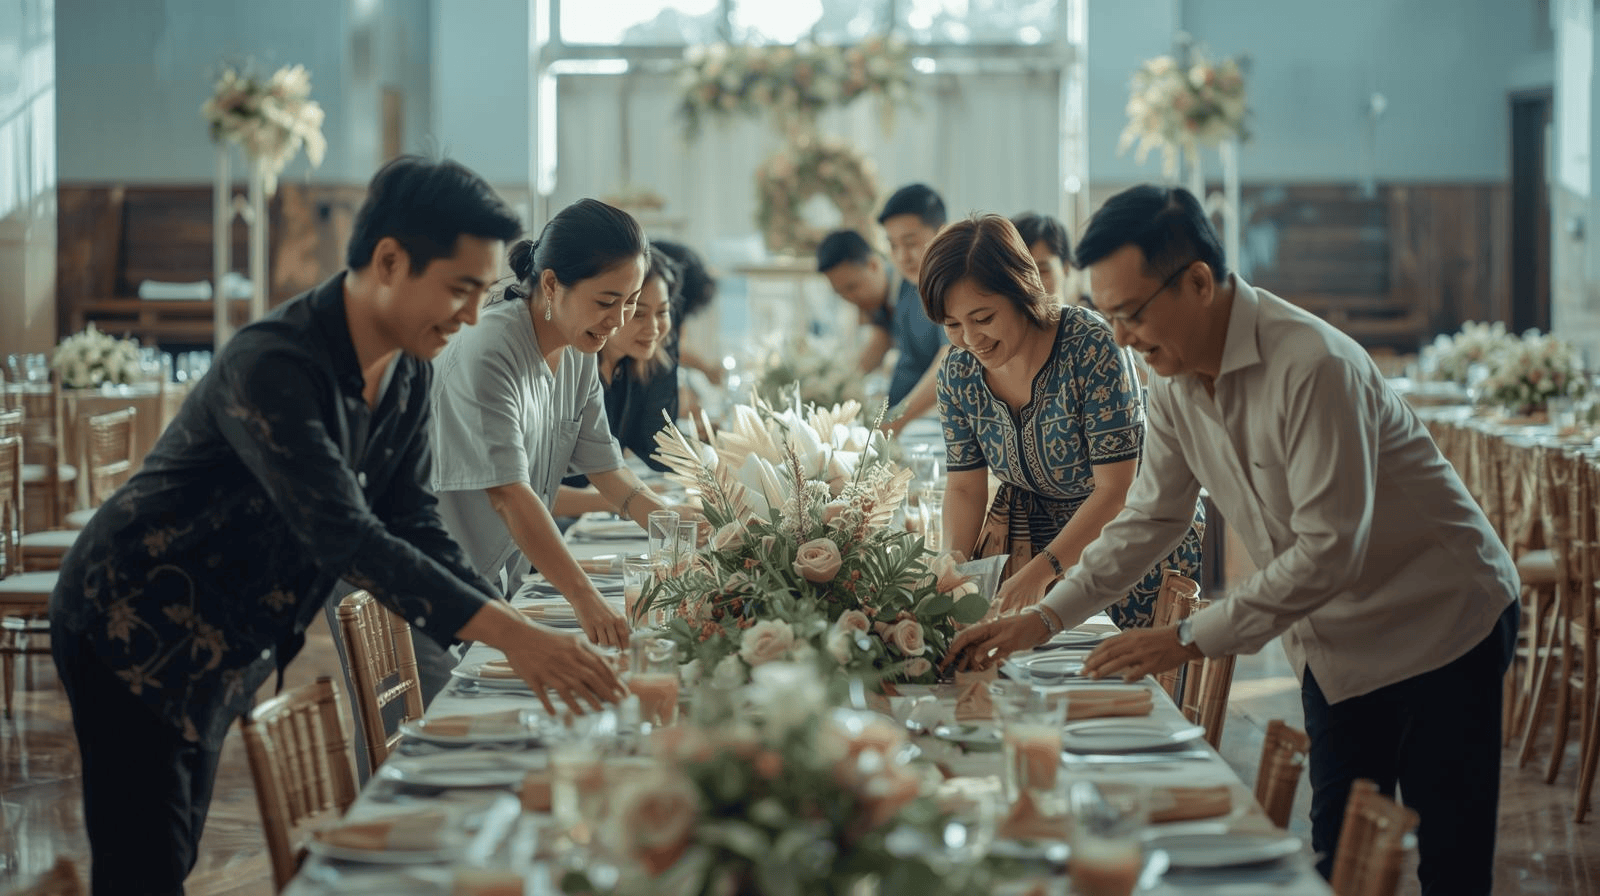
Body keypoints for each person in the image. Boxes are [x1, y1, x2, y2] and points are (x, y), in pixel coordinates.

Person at [49, 156, 627, 896]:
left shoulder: (411, 367)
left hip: (231, 628)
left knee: (174, 846)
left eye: (483, 294)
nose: (473, 316)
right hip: (133, 618)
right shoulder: (274, 363)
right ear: (389, 261)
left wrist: (507, 627)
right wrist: (517, 638)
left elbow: (412, 518)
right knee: (146, 862)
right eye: (459, 289)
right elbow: (346, 537)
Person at [946, 185, 1519, 896]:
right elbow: (1150, 520)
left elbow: (1330, 549)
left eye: (1131, 314)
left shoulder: (1313, 367)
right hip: (1336, 644)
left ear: (1197, 281)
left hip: (1442, 620)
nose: (1121, 337)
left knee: (1452, 866)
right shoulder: (1176, 380)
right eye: (1110, 315)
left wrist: (1186, 637)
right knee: (1338, 852)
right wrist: (1047, 616)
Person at [429, 199, 699, 657]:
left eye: (629, 304)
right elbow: (509, 495)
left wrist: (679, 525)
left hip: (488, 578)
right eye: (606, 302)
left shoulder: (579, 348)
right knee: (440, 724)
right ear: (551, 284)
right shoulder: (493, 348)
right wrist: (584, 598)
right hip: (427, 574)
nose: (616, 322)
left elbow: (608, 471)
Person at [922, 214, 1204, 626]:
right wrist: (953, 567)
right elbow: (965, 486)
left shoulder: (1091, 346)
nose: (970, 339)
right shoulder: (958, 373)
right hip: (1029, 548)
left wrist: (1041, 571)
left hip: (1130, 545)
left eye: (983, 318)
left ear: (1022, 291)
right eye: (952, 325)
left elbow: (1115, 490)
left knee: (1119, 681)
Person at [561, 250, 681, 497]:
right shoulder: (572, 368)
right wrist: (635, 501)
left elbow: (658, 448)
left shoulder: (632, 367)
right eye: (639, 313)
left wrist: (726, 458)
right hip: (554, 521)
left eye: (662, 312)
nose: (654, 328)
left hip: (588, 520)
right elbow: (542, 491)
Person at [875, 183, 951, 435]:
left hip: (942, 424)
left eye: (910, 243)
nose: (901, 256)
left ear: (941, 234)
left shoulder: (952, 287)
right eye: (893, 245)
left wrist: (894, 422)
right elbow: (907, 362)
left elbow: (947, 360)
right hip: (912, 422)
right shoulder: (908, 287)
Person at [814, 228, 902, 376]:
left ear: (873, 265)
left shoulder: (912, 291)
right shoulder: (879, 306)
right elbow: (880, 343)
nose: (849, 298)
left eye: (852, 287)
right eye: (840, 292)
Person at [1010, 211, 1076, 306]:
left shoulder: (1088, 319)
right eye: (1020, 273)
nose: (1031, 284)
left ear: (1066, 267)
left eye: (1042, 271)